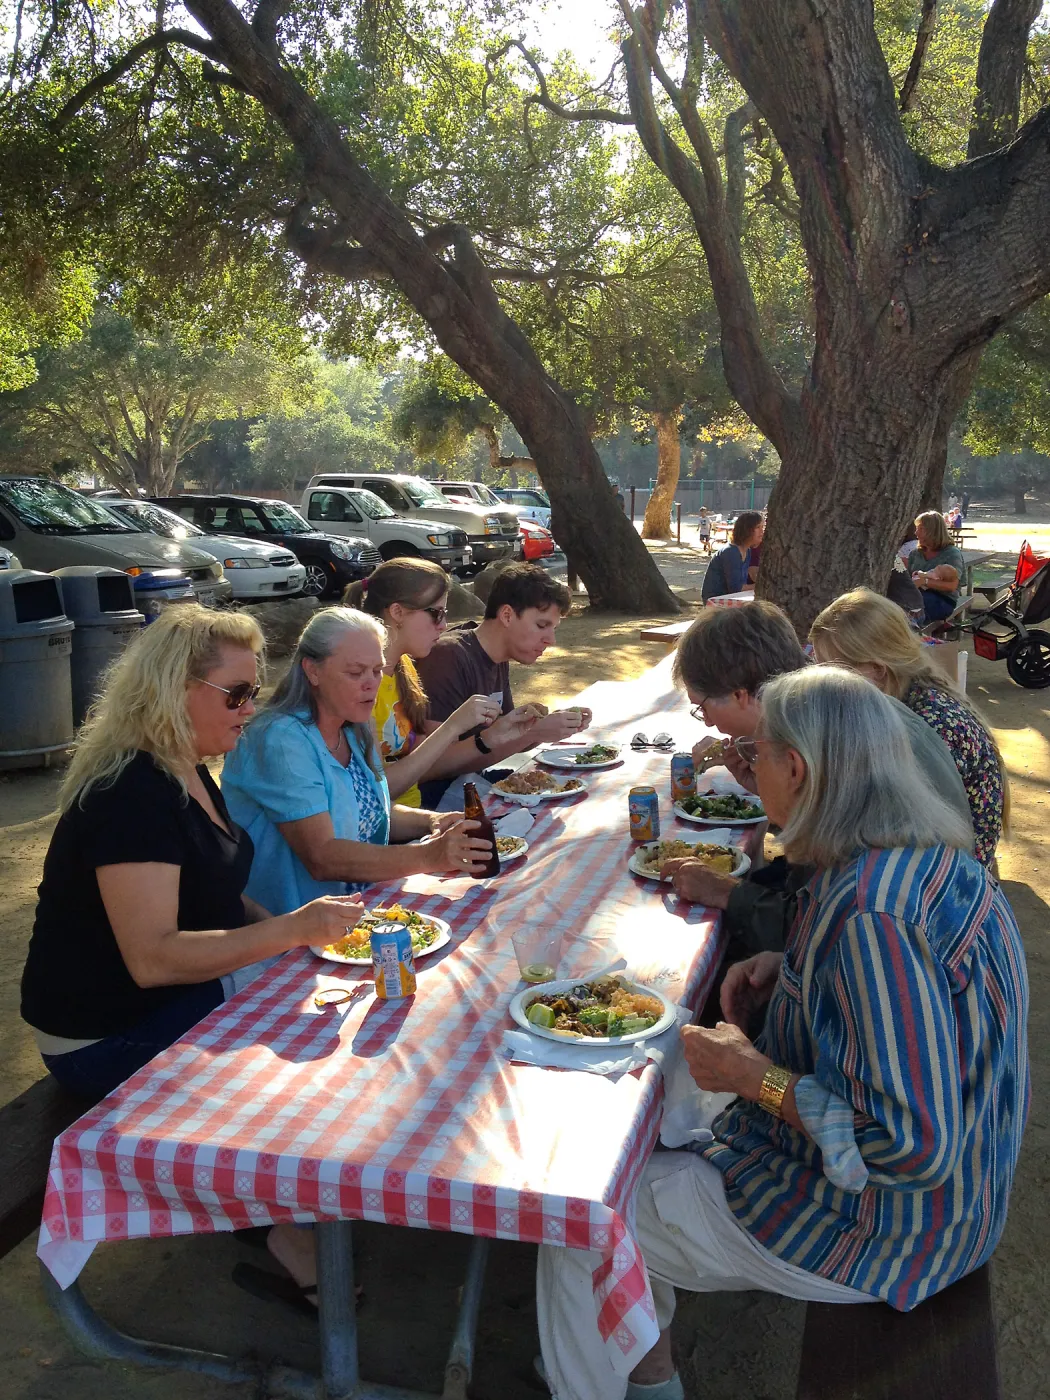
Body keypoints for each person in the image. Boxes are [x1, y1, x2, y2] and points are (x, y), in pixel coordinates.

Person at [536, 667, 1029, 1400]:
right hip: (951, 1201)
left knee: (580, 1220)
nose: (748, 765)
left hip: (895, 1231)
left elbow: (910, 1144)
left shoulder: (873, 918)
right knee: (651, 1128)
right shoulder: (919, 857)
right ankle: (641, 1369)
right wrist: (791, 964)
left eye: (757, 753)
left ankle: (626, 1381)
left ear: (795, 769)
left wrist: (750, 1077)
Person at [20, 605, 367, 1102]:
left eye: (254, 693)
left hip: (171, 999)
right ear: (174, 690)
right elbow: (154, 960)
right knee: (314, 1074)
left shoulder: (187, 768)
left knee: (322, 1008)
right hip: (106, 1041)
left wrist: (296, 944)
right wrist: (292, 930)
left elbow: (224, 887)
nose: (251, 708)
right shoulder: (130, 794)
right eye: (238, 694)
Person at [662, 602, 972, 957]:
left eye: (702, 708)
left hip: (910, 941)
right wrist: (775, 792)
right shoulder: (835, 705)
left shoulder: (833, 736)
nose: (708, 724)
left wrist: (726, 892)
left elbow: (829, 920)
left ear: (739, 695)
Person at [222, 607, 495, 917]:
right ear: (312, 671)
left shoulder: (352, 724)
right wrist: (431, 855)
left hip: (359, 913)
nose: (371, 683)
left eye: (377, 670)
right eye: (355, 672)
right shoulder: (279, 738)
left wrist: (430, 821)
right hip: (289, 933)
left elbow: (367, 814)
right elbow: (323, 857)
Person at [809, 588, 1007, 867]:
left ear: (877, 671)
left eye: (832, 671)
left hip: (943, 887)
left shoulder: (928, 726)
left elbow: (885, 827)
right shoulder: (909, 698)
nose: (822, 684)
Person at [342, 558, 545, 805]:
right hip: (398, 827)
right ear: (397, 613)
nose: (444, 626)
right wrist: (454, 726)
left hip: (417, 815)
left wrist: (503, 733)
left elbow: (428, 755)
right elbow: (378, 794)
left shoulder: (403, 670)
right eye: (436, 614)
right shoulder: (362, 688)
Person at [414, 563, 592, 804]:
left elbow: (501, 739)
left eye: (554, 628)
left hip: (470, 785)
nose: (550, 640)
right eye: (542, 625)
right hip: (437, 803)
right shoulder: (448, 655)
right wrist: (532, 732)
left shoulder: (497, 656)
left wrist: (543, 727)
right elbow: (433, 766)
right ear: (507, 615)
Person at [907, 509, 965, 625]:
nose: (916, 533)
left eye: (921, 529)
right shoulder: (915, 554)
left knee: (917, 607)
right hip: (916, 596)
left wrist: (925, 581)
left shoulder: (951, 553)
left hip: (942, 599)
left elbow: (952, 586)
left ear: (933, 531)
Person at [700, 510, 763, 602]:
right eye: (758, 527)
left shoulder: (748, 551)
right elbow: (736, 589)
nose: (762, 531)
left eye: (762, 527)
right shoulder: (731, 552)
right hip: (715, 601)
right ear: (747, 529)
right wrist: (762, 587)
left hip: (731, 598)